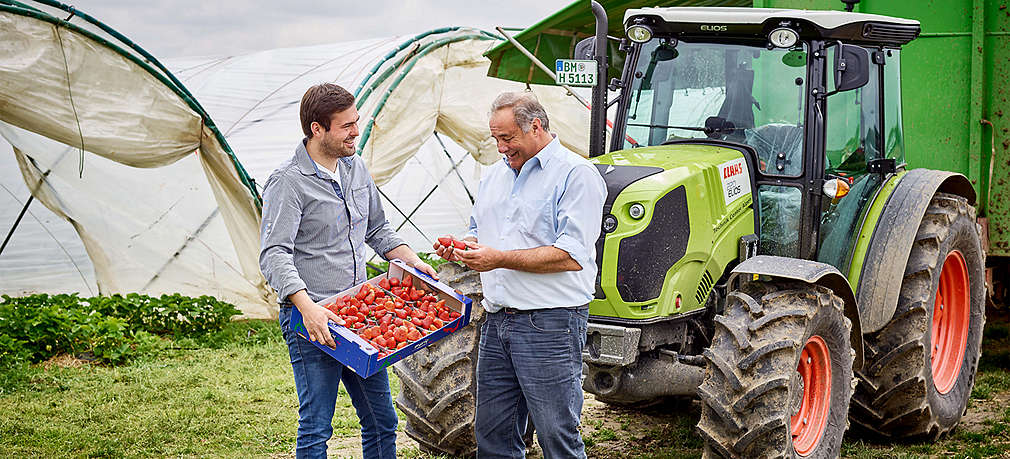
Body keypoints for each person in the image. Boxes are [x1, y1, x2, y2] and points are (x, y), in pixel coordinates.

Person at [259, 82, 437, 459]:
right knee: (316, 426)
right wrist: (307, 308)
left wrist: (412, 260)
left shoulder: (355, 169)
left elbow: (377, 230)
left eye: (356, 121)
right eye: (346, 125)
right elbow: (275, 253)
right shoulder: (288, 182)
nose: (356, 131)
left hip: (358, 316)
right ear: (317, 129)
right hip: (313, 318)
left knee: (382, 421)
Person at [435, 91, 606, 458]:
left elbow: (571, 255)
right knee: (492, 435)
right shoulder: (494, 177)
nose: (500, 147)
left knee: (556, 434)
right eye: (495, 138)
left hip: (550, 323)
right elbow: (478, 229)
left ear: (536, 126)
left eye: (508, 138)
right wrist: (463, 246)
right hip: (497, 322)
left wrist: (497, 258)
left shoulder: (576, 175)